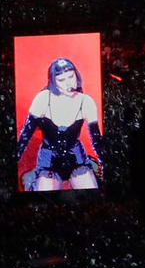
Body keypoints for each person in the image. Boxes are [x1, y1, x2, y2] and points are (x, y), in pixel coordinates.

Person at [16, 57, 103, 191]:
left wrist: (106, 165)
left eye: (71, 77)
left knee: (92, 194)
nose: (68, 83)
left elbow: (96, 139)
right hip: (48, 161)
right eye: (61, 80)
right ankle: (32, 182)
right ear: (53, 82)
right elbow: (25, 135)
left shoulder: (86, 102)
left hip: (77, 159)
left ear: (77, 76)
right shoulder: (43, 99)